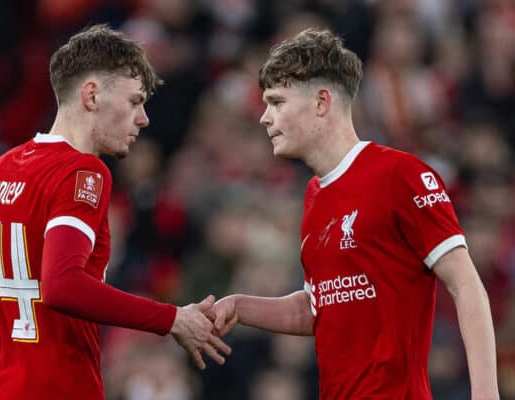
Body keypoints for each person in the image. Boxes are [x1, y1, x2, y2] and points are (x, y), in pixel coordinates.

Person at [211, 29, 500, 399]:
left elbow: (465, 284)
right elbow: (321, 307)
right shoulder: (315, 195)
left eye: (277, 102)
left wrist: (486, 393)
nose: (265, 117)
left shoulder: (401, 175)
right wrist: (239, 306)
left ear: (321, 101)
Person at [0, 24, 230, 400]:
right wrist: (171, 319)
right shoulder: (83, 171)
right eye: (134, 102)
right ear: (92, 95)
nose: (144, 118)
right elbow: (62, 284)